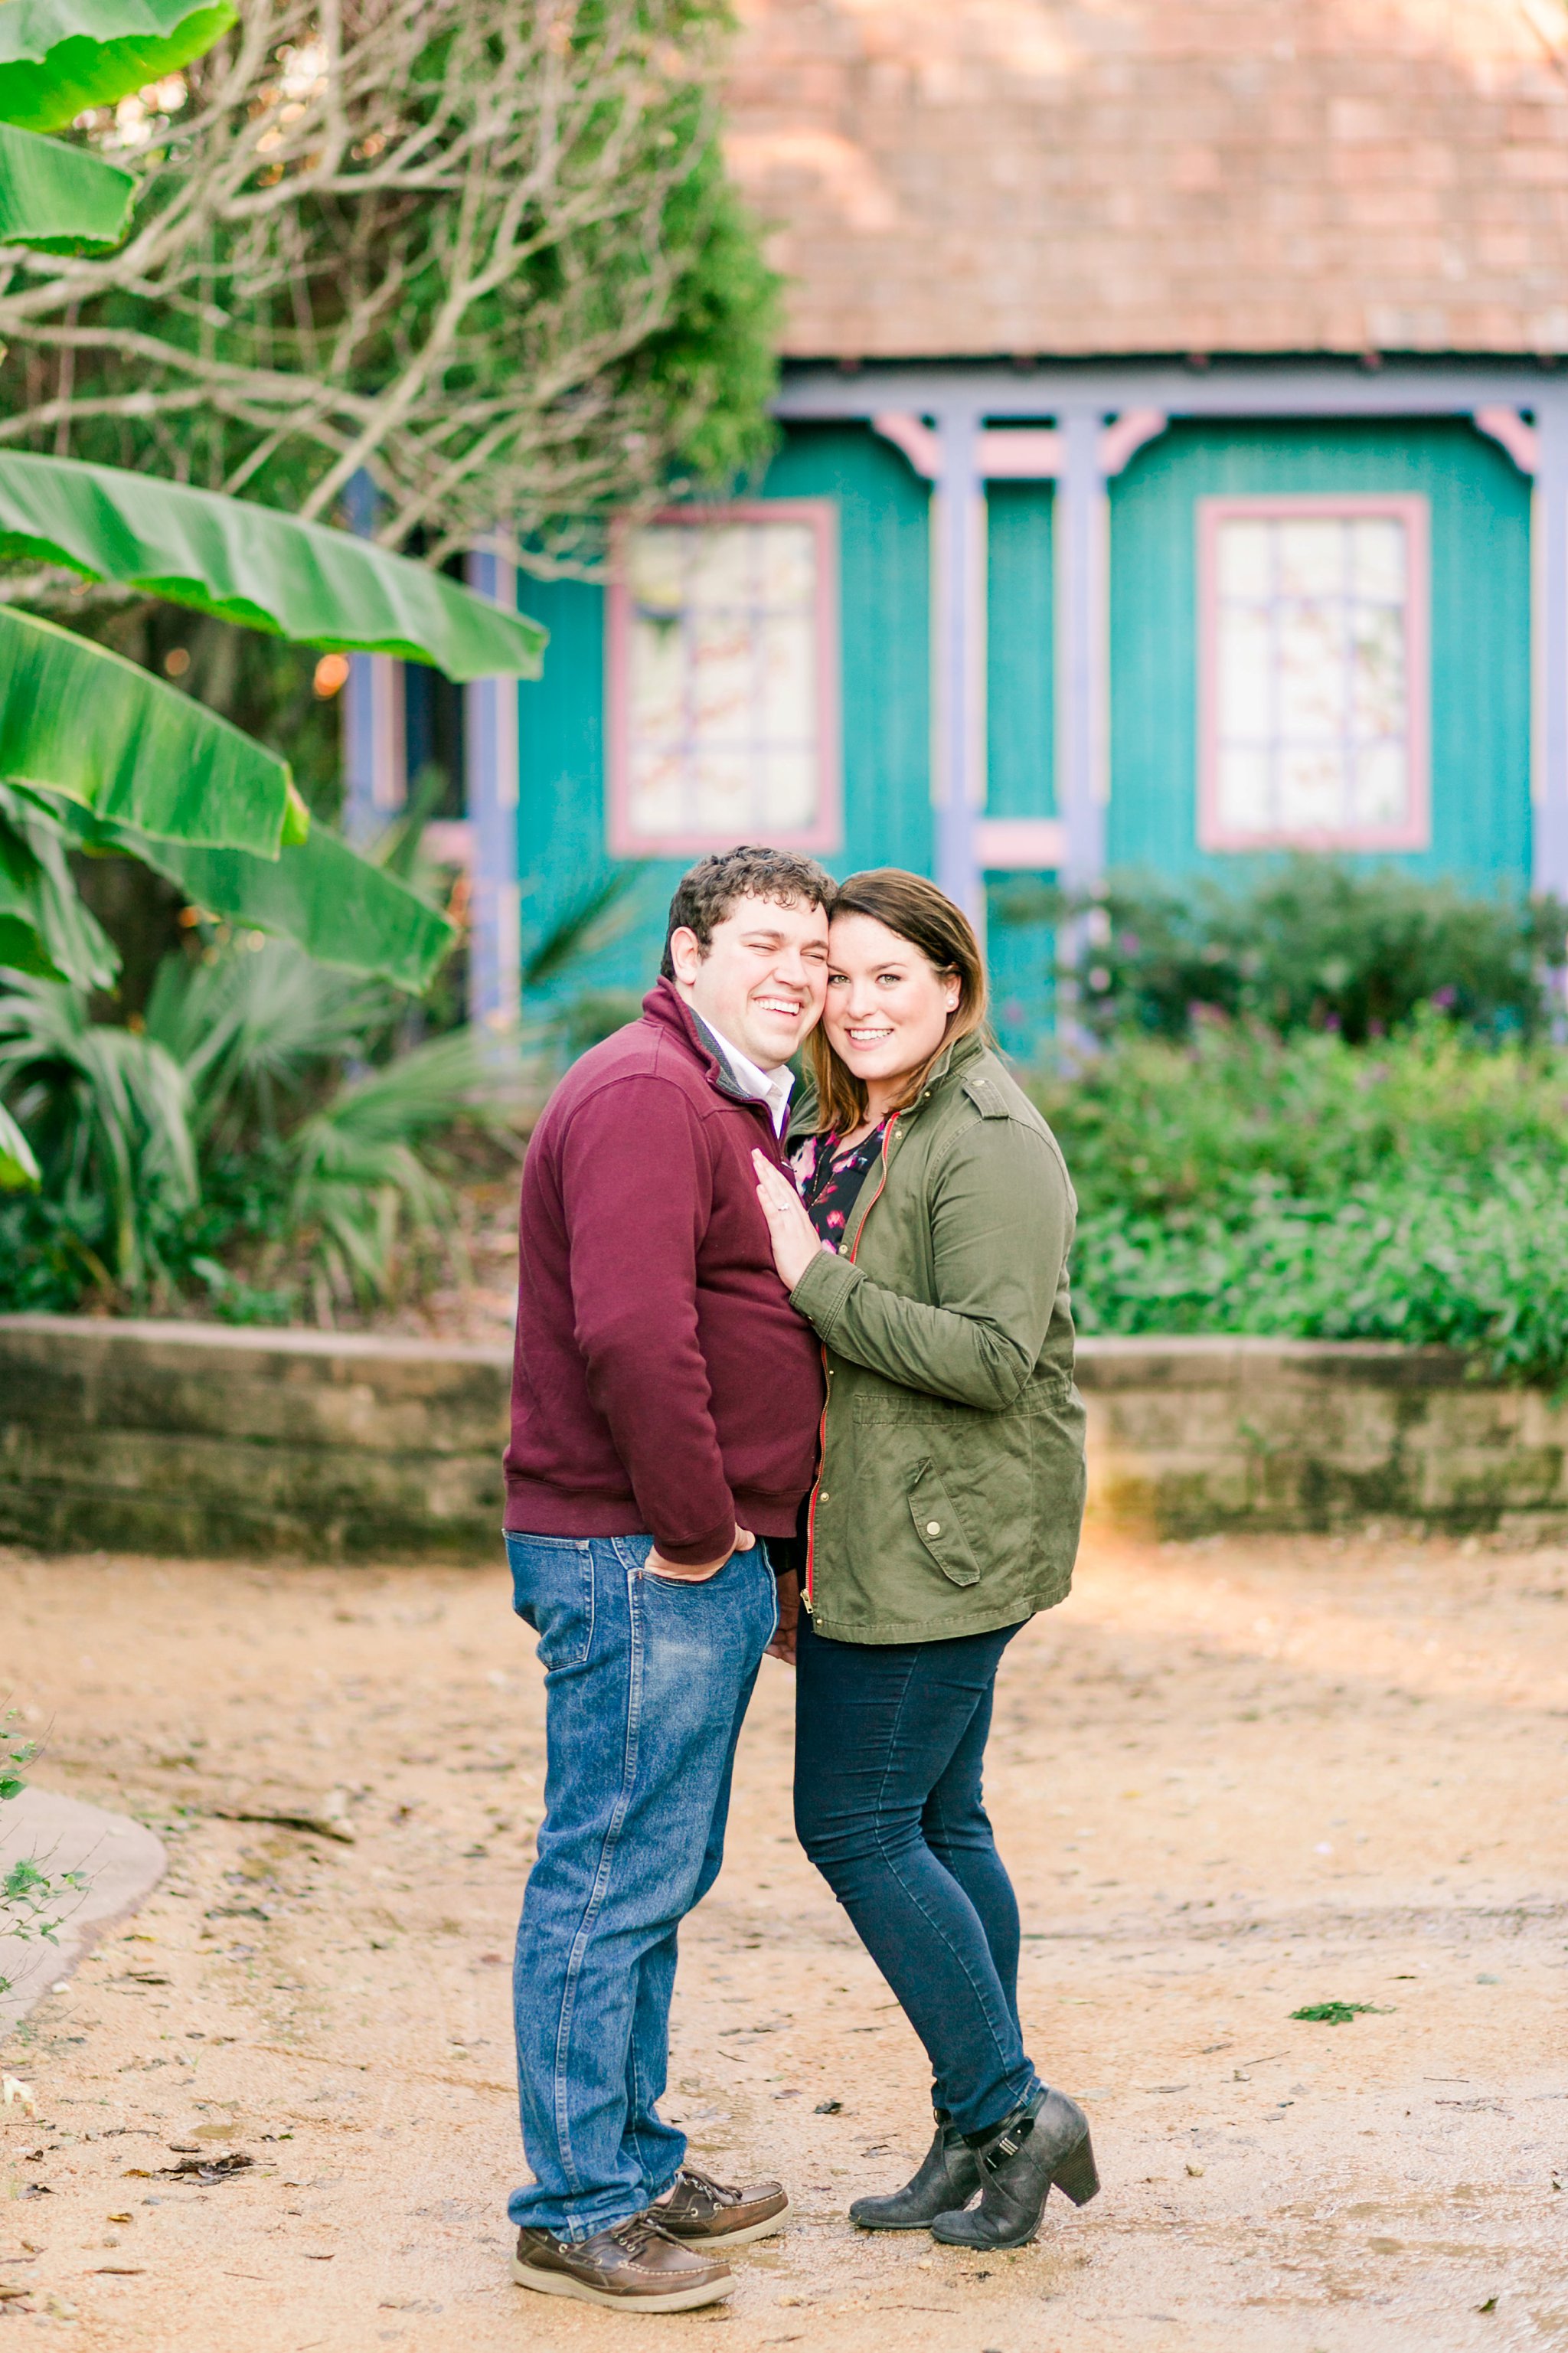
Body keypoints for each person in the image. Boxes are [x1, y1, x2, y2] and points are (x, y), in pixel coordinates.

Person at [504, 845, 835, 2312]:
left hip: (674, 1552)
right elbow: (634, 1335)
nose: (800, 975)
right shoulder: (648, 1094)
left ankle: (628, 2158)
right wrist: (703, 1532)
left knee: (655, 1869)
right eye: (767, 942)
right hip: (637, 1551)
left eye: (817, 954)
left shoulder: (708, 1095)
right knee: (610, 1871)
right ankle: (576, 2205)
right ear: (689, 954)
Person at [750, 868, 1098, 2253]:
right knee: (942, 1824)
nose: (858, 1002)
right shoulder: (869, 1121)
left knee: (853, 1823)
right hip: (887, 1523)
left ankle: (1014, 2106)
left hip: (949, 1535)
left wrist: (807, 1274)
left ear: (952, 985)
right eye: (839, 974)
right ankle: (976, 2130)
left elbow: (994, 1357)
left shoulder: (991, 1134)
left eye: (893, 975)